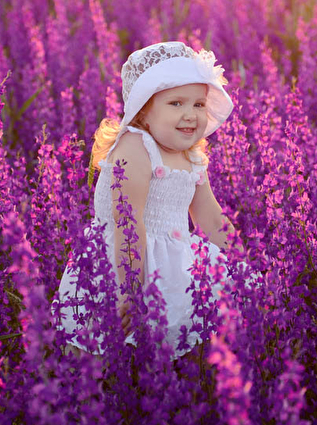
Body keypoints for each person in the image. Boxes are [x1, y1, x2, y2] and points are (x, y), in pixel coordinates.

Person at [54, 41, 235, 360]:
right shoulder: (135, 147)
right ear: (143, 110)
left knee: (171, 354)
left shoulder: (192, 156)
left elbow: (210, 216)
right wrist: (130, 290)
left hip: (173, 269)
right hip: (121, 266)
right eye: (176, 103)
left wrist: (243, 261)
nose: (190, 115)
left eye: (198, 104)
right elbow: (129, 222)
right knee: (99, 354)